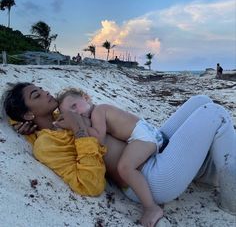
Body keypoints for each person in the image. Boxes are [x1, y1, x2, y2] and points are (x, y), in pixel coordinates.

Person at [3, 83, 236, 226]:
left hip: (148, 151)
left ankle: (207, 175)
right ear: (28, 115)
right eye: (36, 95)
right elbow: (90, 185)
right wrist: (80, 130)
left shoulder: (58, 118)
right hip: (148, 178)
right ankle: (233, 198)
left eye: (41, 89)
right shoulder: (46, 142)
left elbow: (44, 124)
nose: (45, 92)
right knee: (214, 113)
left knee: (201, 101)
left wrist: (24, 127)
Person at [56, 88, 169, 224]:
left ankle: (151, 207)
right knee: (127, 164)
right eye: (70, 113)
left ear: (86, 98)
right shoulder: (96, 113)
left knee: (125, 167)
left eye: (74, 106)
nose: (75, 114)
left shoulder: (98, 111)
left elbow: (99, 139)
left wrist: (78, 124)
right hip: (147, 133)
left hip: (144, 137)